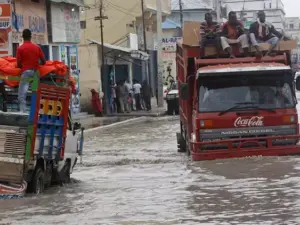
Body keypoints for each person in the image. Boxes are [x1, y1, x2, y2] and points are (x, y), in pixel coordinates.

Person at [17, 29, 46, 113]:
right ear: (30, 37)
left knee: (22, 95)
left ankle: (23, 113)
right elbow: (44, 62)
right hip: (36, 73)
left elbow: (18, 64)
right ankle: (37, 113)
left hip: (26, 73)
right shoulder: (37, 48)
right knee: (36, 94)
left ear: (23, 37)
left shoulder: (20, 48)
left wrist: (24, 65)